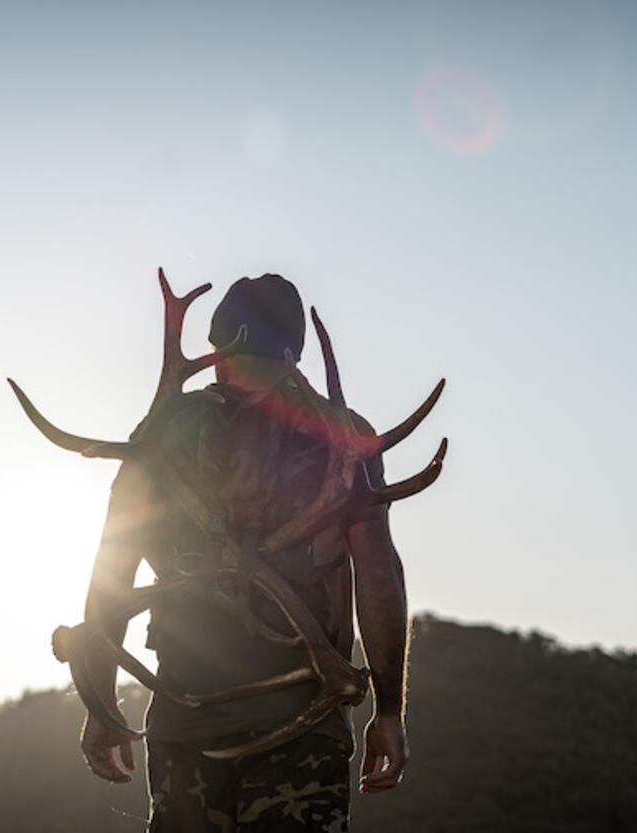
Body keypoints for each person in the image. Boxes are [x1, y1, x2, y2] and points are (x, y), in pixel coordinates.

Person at [79, 274, 412, 833]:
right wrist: (389, 710)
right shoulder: (344, 437)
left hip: (185, 717)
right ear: (294, 349)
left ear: (217, 344)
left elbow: (114, 565)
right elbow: (379, 574)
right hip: (305, 722)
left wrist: (100, 698)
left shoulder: (163, 428)